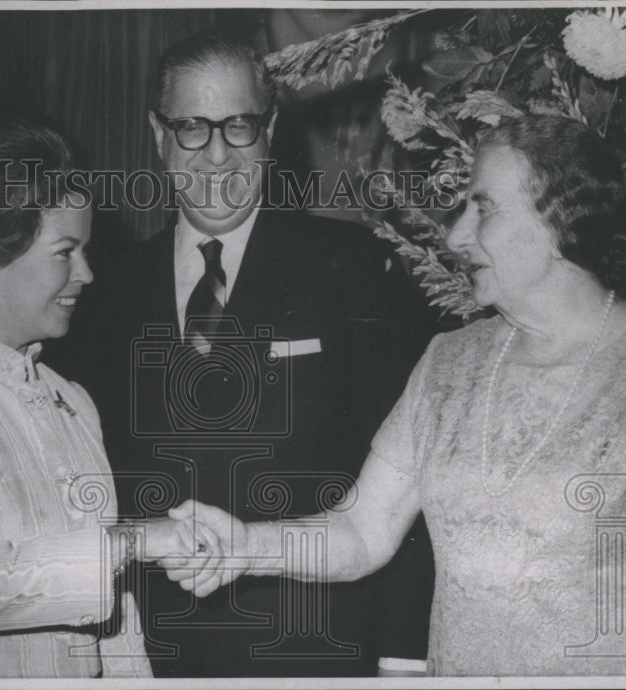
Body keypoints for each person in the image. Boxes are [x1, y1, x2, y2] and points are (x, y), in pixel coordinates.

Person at [169, 115, 626, 676]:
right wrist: (247, 546)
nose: (455, 235)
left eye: (482, 208)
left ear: (561, 218)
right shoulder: (448, 363)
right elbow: (362, 532)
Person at [69, 30, 435, 677]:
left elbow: (410, 487)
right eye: (192, 128)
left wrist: (403, 658)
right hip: (154, 653)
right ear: (159, 134)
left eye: (238, 126)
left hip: (316, 648)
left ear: (269, 132)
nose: (216, 156)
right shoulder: (102, 292)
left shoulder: (354, 269)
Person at [0, 116, 219, 678]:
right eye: (64, 252)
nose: (88, 273)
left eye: (86, 250)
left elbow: (112, 624)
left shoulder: (70, 400)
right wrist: (131, 541)